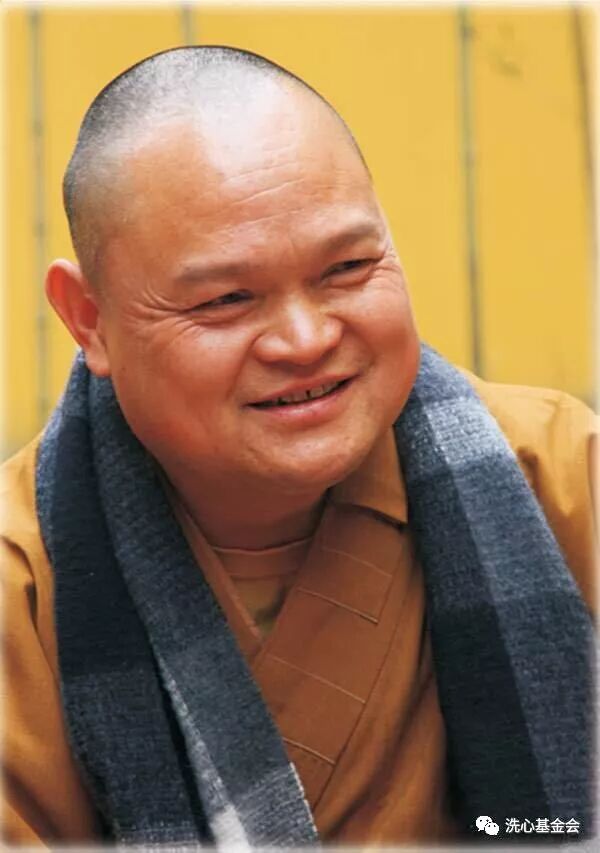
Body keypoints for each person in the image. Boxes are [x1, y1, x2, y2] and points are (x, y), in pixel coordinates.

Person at [1, 46, 597, 848]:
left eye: (348, 267)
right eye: (226, 299)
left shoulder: (563, 476)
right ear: (88, 318)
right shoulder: (22, 588)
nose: (306, 338)